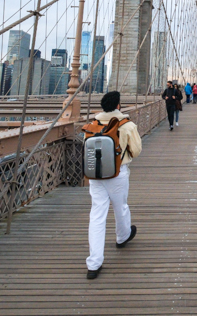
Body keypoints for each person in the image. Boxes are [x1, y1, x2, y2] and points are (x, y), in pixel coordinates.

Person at [86, 91, 143, 279]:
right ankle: (122, 236)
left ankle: (94, 264)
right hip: (118, 173)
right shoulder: (126, 125)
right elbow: (136, 150)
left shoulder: (93, 124)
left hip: (95, 175)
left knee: (97, 215)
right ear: (118, 105)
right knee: (121, 206)